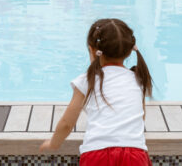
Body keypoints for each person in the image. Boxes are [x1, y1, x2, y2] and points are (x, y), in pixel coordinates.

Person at [40, 18, 153, 166]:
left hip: (97, 155)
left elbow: (67, 123)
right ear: (129, 52)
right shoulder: (138, 78)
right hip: (135, 154)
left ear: (92, 50)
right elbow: (141, 117)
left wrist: (53, 144)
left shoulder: (87, 80)